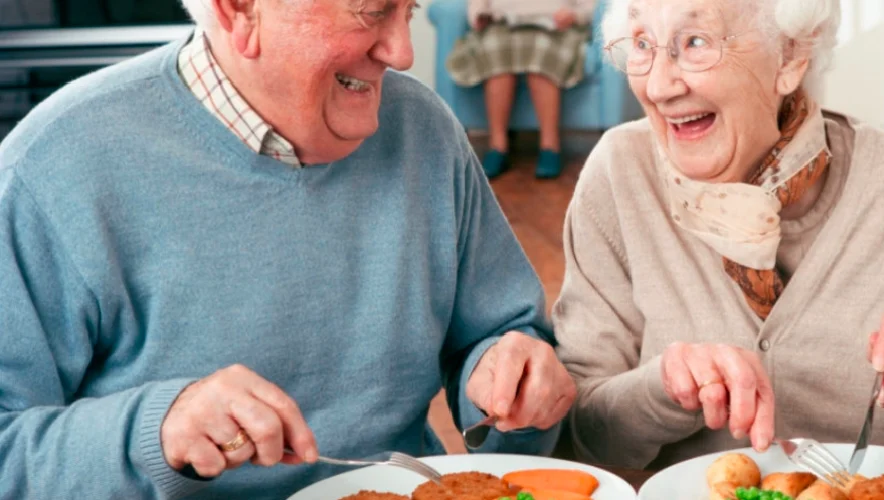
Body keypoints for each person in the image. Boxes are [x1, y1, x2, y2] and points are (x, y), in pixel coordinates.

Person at [0, 0, 577, 497]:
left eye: (410, 10)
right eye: (371, 10)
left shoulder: (424, 128)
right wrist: (156, 432)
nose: (402, 52)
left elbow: (499, 333)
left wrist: (514, 379)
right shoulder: (54, 165)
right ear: (239, 11)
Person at [551, 0, 884, 477]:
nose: (658, 86)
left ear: (790, 56)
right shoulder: (619, 175)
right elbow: (577, 438)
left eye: (694, 42)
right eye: (641, 44)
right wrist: (661, 390)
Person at [445, 0, 596, 179]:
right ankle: (497, 146)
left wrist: (574, 15)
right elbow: (477, 6)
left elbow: (589, 7)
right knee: (496, 53)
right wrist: (479, 16)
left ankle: (550, 146)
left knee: (541, 54)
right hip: (503, 25)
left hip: (555, 26)